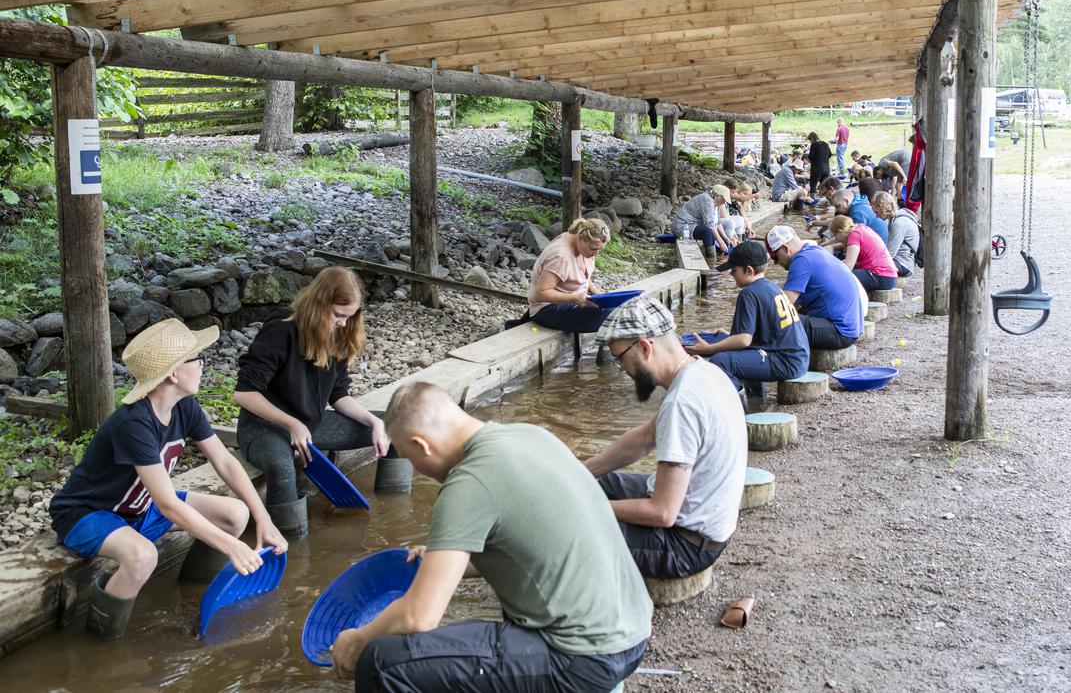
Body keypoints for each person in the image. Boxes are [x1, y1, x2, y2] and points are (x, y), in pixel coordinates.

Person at [335, 383, 651, 691]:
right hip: (632, 632)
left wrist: (358, 640)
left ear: (422, 445)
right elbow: (524, 549)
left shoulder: (467, 484)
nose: (417, 470)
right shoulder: (530, 435)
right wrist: (443, 563)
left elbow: (419, 617)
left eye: (408, 457)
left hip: (582, 658)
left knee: (382, 660)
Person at [49, 319, 286, 640]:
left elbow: (226, 463)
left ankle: (193, 594)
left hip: (140, 510)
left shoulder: (184, 406)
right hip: (88, 515)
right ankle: (101, 640)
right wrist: (231, 546)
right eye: (196, 359)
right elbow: (168, 505)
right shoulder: (134, 424)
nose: (203, 365)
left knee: (236, 514)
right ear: (173, 373)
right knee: (143, 556)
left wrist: (264, 518)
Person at [583, 296, 747, 579]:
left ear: (645, 347)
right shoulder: (702, 371)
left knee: (571, 529)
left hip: (685, 546)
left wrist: (589, 508)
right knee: (594, 484)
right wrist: (581, 472)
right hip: (707, 527)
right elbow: (645, 437)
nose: (622, 369)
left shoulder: (682, 403)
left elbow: (662, 512)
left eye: (621, 358)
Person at [234, 267, 403, 540]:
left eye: (350, 317)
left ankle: (395, 519)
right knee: (281, 467)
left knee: (396, 427)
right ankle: (292, 549)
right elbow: (244, 394)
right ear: (318, 304)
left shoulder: (340, 335)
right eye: (338, 315)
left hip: (311, 424)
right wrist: (291, 423)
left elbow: (339, 395)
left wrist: (374, 423)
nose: (344, 324)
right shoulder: (281, 330)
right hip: (264, 427)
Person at [684, 241, 810, 396]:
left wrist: (708, 349)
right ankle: (756, 400)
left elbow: (744, 340)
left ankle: (738, 407)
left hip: (785, 362)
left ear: (749, 270)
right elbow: (753, 336)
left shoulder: (749, 293)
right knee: (735, 350)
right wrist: (729, 337)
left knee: (721, 360)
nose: (731, 274)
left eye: (734, 270)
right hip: (797, 358)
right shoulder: (771, 286)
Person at [766, 225, 864, 350]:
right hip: (849, 326)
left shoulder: (801, 261)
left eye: (775, 257)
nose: (776, 263)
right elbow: (794, 304)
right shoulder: (815, 250)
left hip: (839, 332)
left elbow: (783, 305)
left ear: (786, 249)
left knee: (772, 322)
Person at [524, 217, 614, 334]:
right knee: (613, 318)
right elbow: (540, 293)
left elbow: (583, 277)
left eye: (600, 250)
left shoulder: (583, 247)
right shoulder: (560, 256)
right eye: (593, 249)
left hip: (572, 302)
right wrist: (574, 298)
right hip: (548, 309)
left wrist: (600, 297)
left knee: (621, 310)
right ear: (580, 238)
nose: (596, 254)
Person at [828, 216, 898, 292]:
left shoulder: (854, 235)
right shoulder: (860, 227)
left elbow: (849, 265)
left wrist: (830, 269)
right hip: (888, 276)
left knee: (838, 278)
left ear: (840, 231)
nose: (836, 239)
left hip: (881, 276)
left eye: (835, 235)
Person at [672, 185, 734, 261]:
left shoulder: (716, 204)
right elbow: (710, 225)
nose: (724, 203)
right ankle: (711, 260)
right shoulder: (707, 200)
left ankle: (718, 257)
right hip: (683, 226)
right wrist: (720, 241)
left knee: (722, 240)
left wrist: (726, 238)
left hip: (694, 225)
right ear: (718, 196)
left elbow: (718, 222)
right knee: (707, 232)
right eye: (724, 200)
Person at [874, 191, 920, 277]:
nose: (876, 216)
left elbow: (890, 253)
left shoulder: (899, 223)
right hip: (901, 261)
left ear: (882, 208)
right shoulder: (896, 219)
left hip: (904, 264)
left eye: (877, 212)